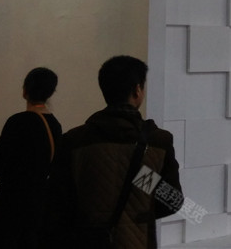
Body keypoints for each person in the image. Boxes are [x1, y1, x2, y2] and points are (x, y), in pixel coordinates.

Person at [44, 56, 182, 248]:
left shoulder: (74, 141)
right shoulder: (158, 141)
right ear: (137, 90)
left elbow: (57, 204)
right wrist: (138, 213)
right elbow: (172, 200)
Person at [0, 67, 63, 248]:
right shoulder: (55, 125)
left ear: (25, 91)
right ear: (51, 92)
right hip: (39, 198)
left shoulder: (16, 122)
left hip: (12, 198)